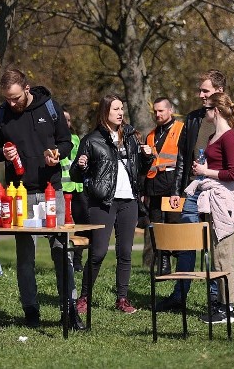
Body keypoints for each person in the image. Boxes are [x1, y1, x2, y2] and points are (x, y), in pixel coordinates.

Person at [0, 67, 85, 330]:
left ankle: (69, 310)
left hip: (52, 191)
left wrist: (57, 152)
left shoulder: (50, 107)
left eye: (16, 98)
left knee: (62, 251)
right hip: (19, 194)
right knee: (25, 257)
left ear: (27, 89)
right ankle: (30, 310)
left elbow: (66, 142)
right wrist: (2, 154)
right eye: (7, 98)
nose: (12, 103)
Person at [69, 94, 153, 314]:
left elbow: (141, 171)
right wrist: (81, 165)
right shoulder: (91, 139)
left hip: (129, 201)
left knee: (125, 252)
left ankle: (122, 299)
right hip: (102, 202)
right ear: (105, 112)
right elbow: (76, 175)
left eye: (121, 108)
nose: (120, 112)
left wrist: (147, 157)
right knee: (97, 252)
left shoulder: (132, 137)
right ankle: (84, 297)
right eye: (115, 109)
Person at [162, 69, 227, 312]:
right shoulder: (191, 119)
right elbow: (181, 157)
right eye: (200, 90)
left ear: (219, 91)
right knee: (187, 244)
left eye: (205, 90)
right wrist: (178, 190)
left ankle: (214, 299)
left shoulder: (229, 119)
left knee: (213, 247)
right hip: (191, 190)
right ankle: (179, 296)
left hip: (217, 192)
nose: (200, 95)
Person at [183, 93, 234, 324]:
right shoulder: (213, 136)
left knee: (224, 257)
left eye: (208, 109)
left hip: (224, 201)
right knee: (216, 257)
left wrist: (206, 172)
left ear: (217, 111)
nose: (205, 113)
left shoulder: (228, 137)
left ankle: (228, 309)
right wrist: (201, 168)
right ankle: (221, 306)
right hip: (211, 198)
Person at [142, 98, 184, 273]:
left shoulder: (181, 129)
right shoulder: (151, 135)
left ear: (170, 110)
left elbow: (183, 160)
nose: (158, 114)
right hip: (154, 187)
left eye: (161, 111)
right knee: (157, 226)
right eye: (155, 111)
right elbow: (146, 166)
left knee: (174, 224)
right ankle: (163, 262)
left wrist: (178, 188)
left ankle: (180, 262)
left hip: (173, 185)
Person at [60, 107, 89, 272]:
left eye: (69, 120)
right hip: (62, 188)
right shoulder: (53, 140)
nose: (67, 123)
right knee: (63, 226)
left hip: (78, 188)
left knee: (82, 225)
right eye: (63, 120)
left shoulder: (77, 139)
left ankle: (77, 260)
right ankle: (64, 260)